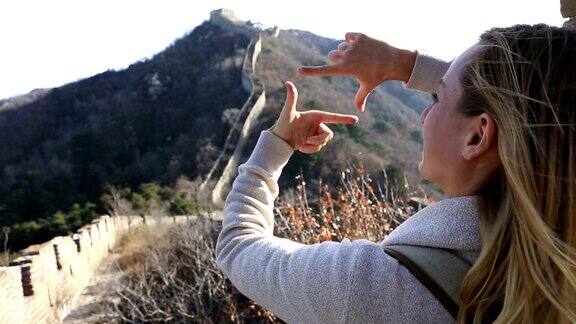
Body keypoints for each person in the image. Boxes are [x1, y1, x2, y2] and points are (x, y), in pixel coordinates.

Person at [215, 24, 576, 323]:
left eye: (437, 98)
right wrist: (404, 65)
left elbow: (237, 246)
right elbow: (544, 109)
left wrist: (274, 149)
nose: (424, 114)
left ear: (478, 135)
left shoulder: (372, 287)